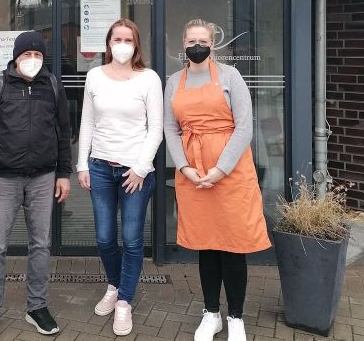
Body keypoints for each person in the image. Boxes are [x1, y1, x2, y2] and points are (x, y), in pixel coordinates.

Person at [164, 19, 271, 341]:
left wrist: (221, 169)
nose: (196, 46)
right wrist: (184, 167)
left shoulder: (230, 76)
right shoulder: (173, 81)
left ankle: (236, 317)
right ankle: (211, 313)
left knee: (233, 244)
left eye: (202, 41)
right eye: (191, 41)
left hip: (232, 172)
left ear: (213, 44)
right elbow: (170, 128)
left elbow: (244, 127)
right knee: (206, 245)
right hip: (193, 174)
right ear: (183, 44)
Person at [0, 30, 72, 341]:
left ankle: (37, 307)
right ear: (15, 57)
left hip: (43, 177)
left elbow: (63, 131)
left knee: (40, 245)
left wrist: (64, 173)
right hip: (3, 178)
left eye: (38, 55)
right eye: (27, 54)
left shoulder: (52, 84)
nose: (32, 59)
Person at [77, 18, 163, 337]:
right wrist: (82, 165)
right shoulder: (95, 76)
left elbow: (156, 128)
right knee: (103, 238)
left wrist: (140, 168)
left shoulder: (148, 79)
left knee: (132, 238)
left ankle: (124, 300)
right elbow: (87, 123)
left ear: (136, 44)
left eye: (128, 40)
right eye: (117, 39)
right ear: (108, 43)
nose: (123, 45)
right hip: (100, 166)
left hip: (134, 172)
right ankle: (114, 285)